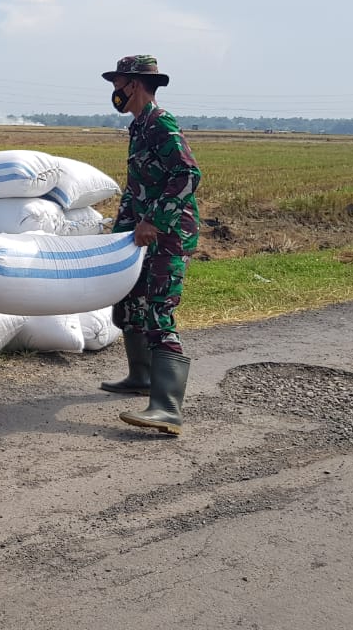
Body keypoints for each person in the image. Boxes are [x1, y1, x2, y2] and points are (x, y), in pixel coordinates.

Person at [98, 55, 201, 436]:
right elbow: (137, 186)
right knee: (129, 304)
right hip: (140, 236)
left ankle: (167, 409)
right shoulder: (138, 126)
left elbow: (188, 174)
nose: (114, 92)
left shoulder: (160, 122)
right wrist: (120, 235)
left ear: (136, 85)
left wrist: (154, 221)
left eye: (118, 84)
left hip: (168, 237)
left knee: (158, 312)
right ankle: (139, 377)